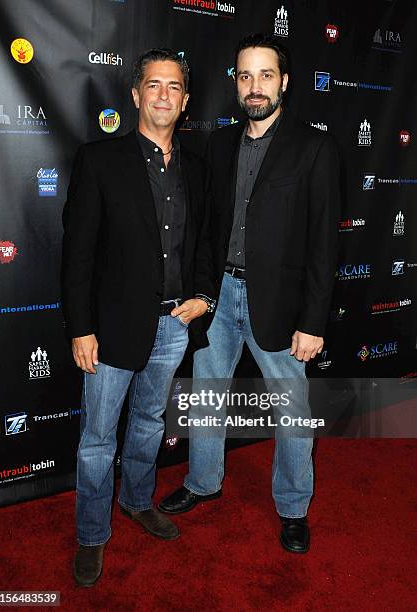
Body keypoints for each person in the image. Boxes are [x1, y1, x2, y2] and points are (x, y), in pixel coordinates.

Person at [159, 33, 341, 554]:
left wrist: (314, 322)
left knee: (292, 411)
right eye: (245, 76)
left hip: (281, 305)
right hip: (219, 297)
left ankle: (292, 508)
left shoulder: (315, 147)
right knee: (208, 396)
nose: (255, 87)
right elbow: (207, 231)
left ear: (284, 81)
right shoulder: (218, 145)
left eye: (265, 75)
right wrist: (200, 291)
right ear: (235, 83)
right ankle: (202, 482)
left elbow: (324, 245)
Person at [61, 48, 215, 587]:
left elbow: (207, 243)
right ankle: (91, 533)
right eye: (153, 85)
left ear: (186, 99)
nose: (163, 96)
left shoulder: (197, 166)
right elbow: (77, 253)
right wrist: (81, 327)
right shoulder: (99, 160)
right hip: (111, 328)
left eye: (173, 87)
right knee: (98, 439)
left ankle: (136, 501)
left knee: (150, 423)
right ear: (135, 95)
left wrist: (205, 296)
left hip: (173, 324)